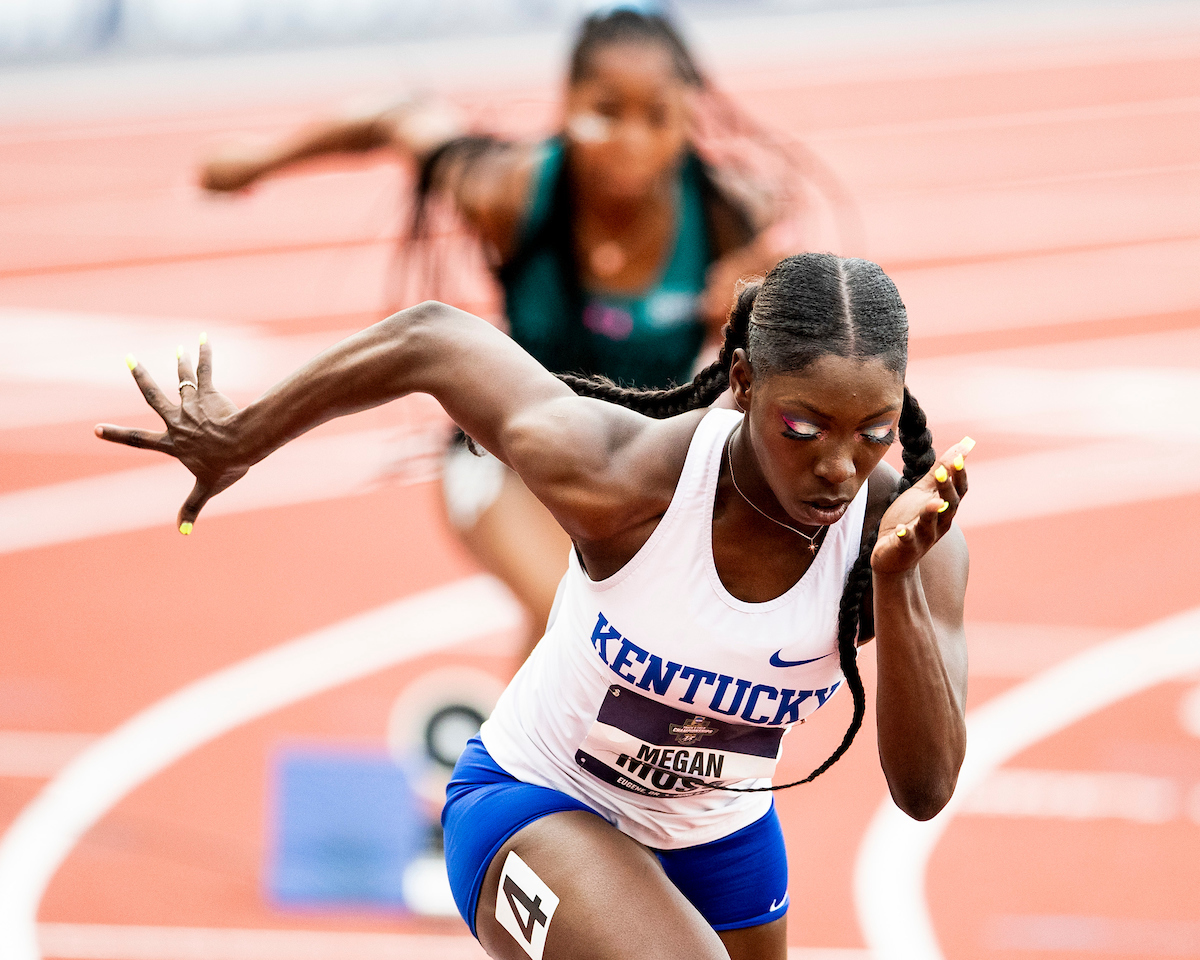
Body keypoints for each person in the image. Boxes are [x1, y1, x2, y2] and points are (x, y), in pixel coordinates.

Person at [96, 252, 970, 960]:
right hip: (537, 799)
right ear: (742, 383)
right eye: (803, 429)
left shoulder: (907, 543)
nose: (839, 467)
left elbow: (924, 792)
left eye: (874, 431)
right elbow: (432, 340)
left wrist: (895, 585)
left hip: (722, 841)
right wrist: (245, 438)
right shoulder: (621, 480)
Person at [198, 7, 799, 660]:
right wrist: (258, 160)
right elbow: (398, 118)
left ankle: (494, 751)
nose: (631, 139)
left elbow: (799, 369)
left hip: (629, 475)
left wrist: (753, 312)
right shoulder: (512, 193)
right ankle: (507, 760)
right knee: (571, 619)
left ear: (687, 114)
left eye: (656, 116)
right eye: (606, 111)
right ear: (566, 105)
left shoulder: (726, 221)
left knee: (625, 648)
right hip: (505, 457)